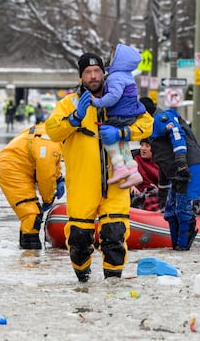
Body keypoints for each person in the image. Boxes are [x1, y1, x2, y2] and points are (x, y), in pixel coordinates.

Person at [45, 52, 153, 282]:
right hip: (83, 185)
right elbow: (53, 130)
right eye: (87, 72)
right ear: (81, 76)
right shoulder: (68, 104)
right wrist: (75, 118)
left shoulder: (121, 98)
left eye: (96, 71)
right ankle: (83, 281)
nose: (93, 76)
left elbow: (147, 124)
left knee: (115, 235)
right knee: (79, 239)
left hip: (117, 184)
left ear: (104, 73)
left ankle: (112, 286)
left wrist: (123, 132)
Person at [0, 123, 64, 249]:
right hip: (12, 169)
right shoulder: (50, 142)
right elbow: (45, 175)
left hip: (16, 166)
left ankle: (28, 254)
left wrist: (58, 178)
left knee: (32, 214)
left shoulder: (52, 134)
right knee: (31, 214)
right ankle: (30, 258)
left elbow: (51, 162)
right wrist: (48, 199)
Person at [150, 108, 200, 251]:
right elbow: (163, 165)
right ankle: (176, 247)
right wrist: (163, 195)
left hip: (192, 166)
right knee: (170, 213)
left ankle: (183, 248)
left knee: (184, 210)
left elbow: (176, 133)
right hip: (177, 171)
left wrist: (181, 160)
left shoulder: (160, 119)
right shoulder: (153, 138)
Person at [90, 44, 146, 189]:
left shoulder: (116, 77)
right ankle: (133, 172)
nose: (111, 59)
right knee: (123, 143)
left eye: (114, 56)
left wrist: (98, 102)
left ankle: (119, 168)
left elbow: (114, 96)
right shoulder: (126, 75)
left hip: (119, 114)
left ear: (121, 60)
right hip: (128, 115)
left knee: (108, 138)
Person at [129, 139, 160, 211]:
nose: (143, 148)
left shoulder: (160, 163)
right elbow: (122, 174)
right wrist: (131, 185)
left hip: (155, 193)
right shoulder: (133, 160)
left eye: (147, 146)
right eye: (142, 145)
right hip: (137, 193)